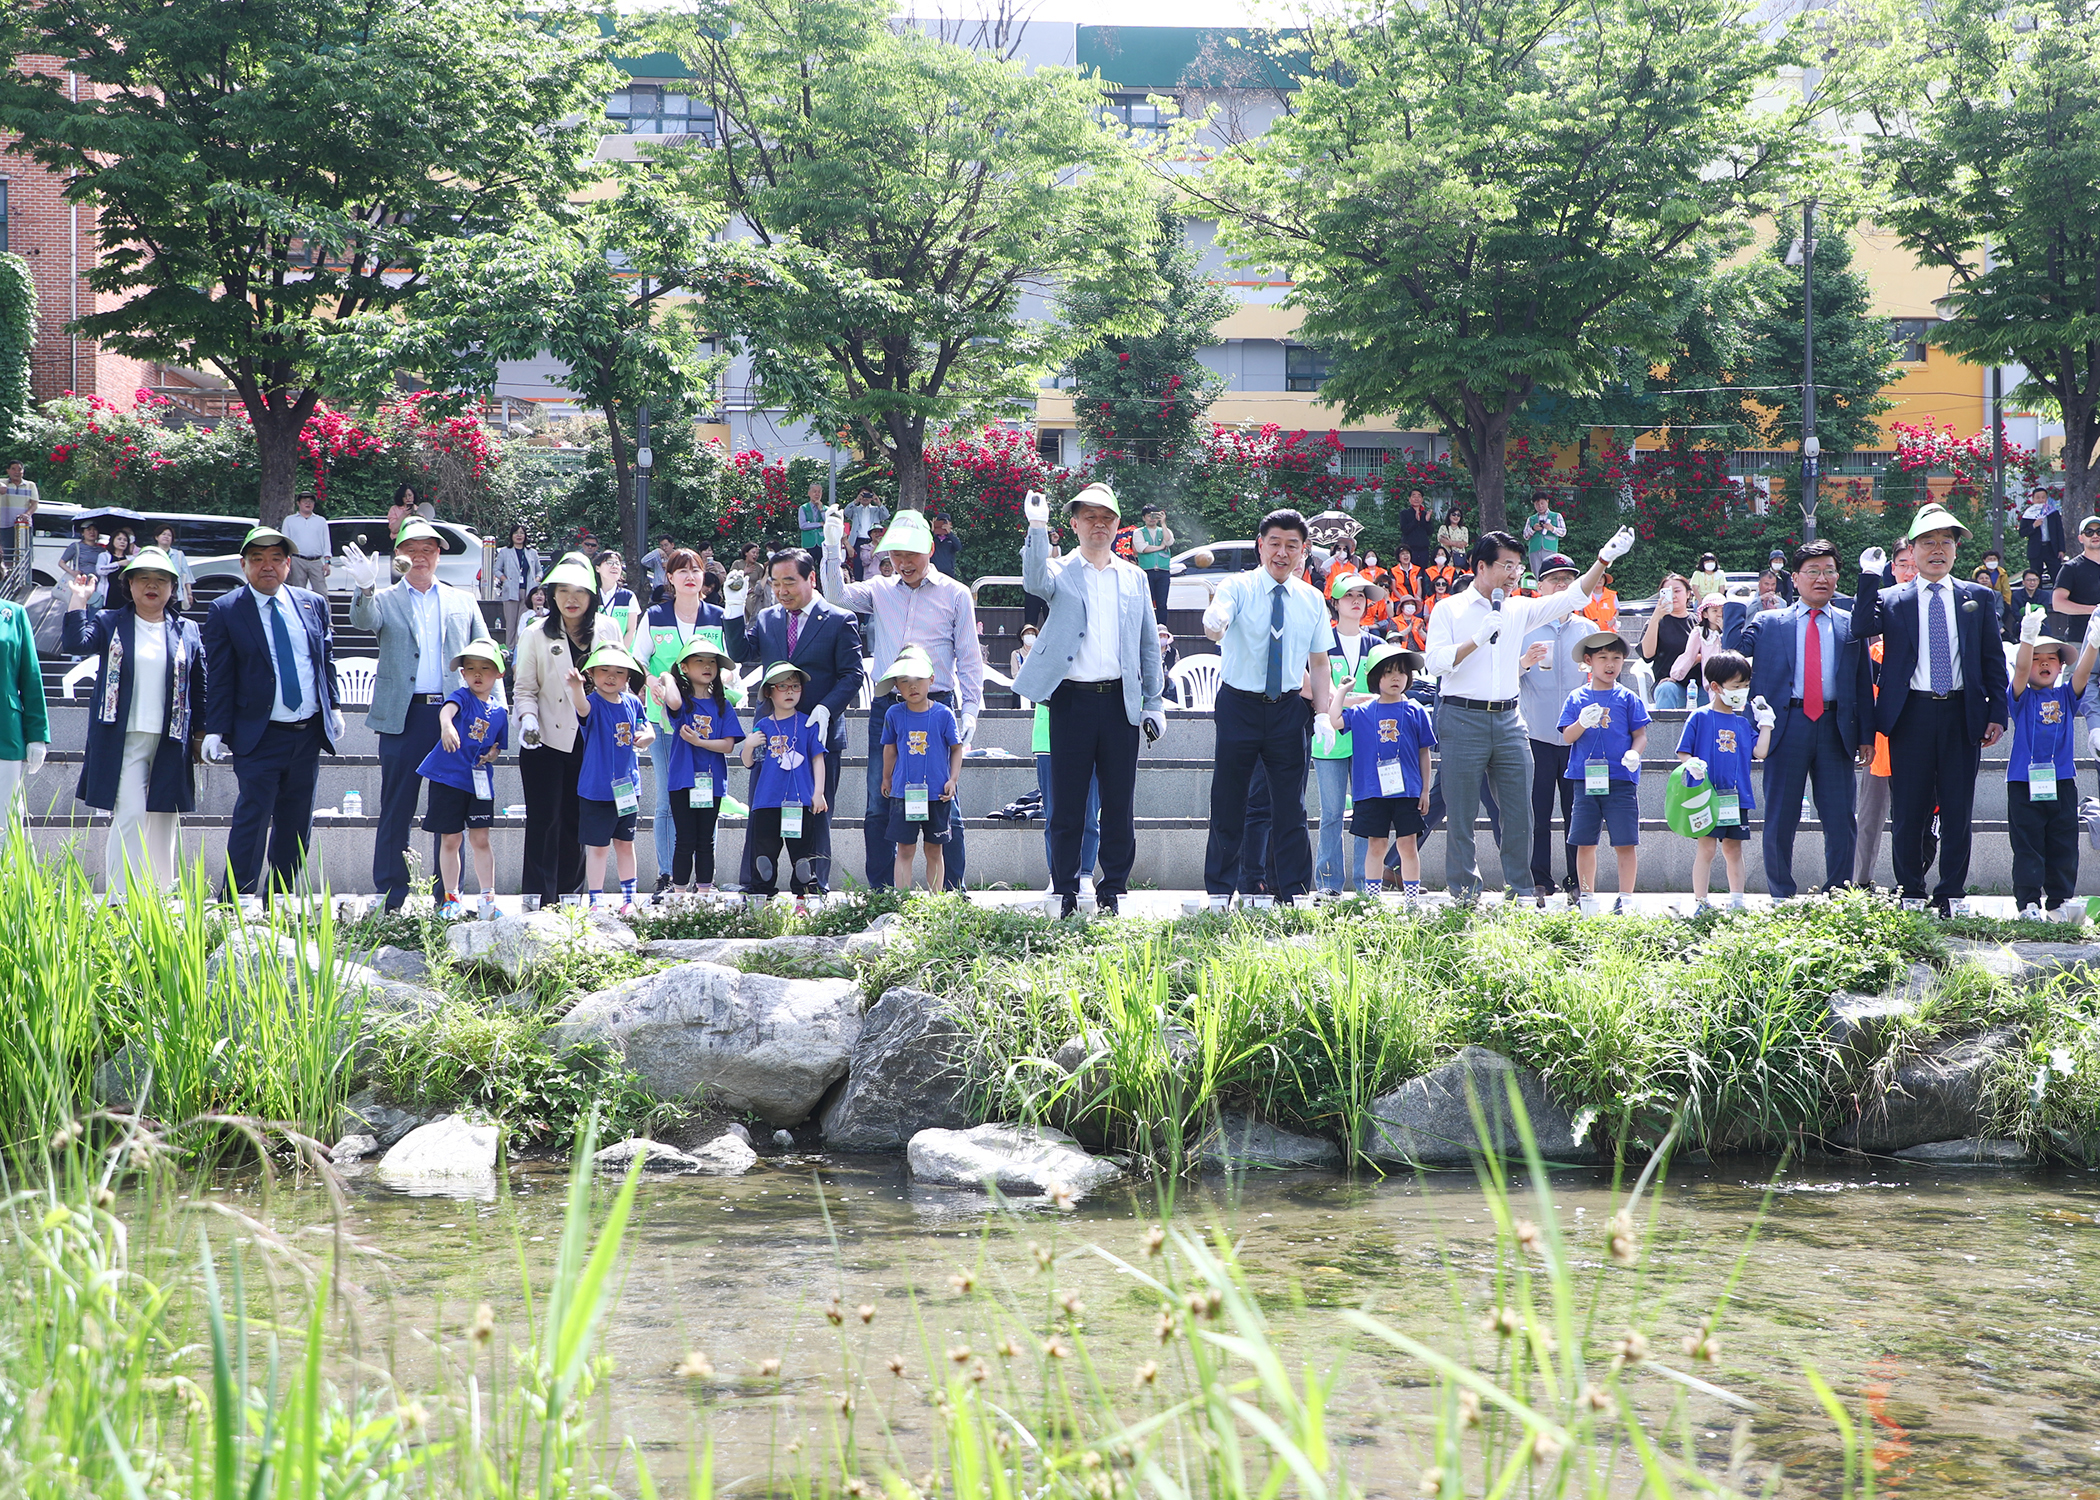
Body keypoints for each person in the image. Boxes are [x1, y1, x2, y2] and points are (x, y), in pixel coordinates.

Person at [1425, 526, 1635, 901]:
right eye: (1507, 566)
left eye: (1518, 567)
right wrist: (1475, 640)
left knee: (1520, 811)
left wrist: (1605, 559)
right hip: (1462, 716)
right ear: (1481, 566)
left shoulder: (1519, 607)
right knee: (1460, 813)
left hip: (1509, 719)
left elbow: (1572, 595)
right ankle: (1464, 894)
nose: (1513, 574)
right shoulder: (1449, 608)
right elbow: (1436, 663)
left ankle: (1520, 890)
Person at [1011, 483, 1164, 918]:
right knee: (1067, 804)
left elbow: (1147, 644)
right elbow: (1033, 580)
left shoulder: (1134, 576)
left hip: (1120, 702)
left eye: (1107, 517)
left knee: (1119, 805)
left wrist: (1153, 701)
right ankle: (1065, 890)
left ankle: (1113, 888)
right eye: (1089, 517)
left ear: (1118, 525)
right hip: (1071, 700)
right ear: (1074, 524)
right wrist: (1036, 528)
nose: (1099, 524)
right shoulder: (1059, 570)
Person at [1853, 504, 2010, 914]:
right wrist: (1869, 576)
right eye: (1927, 542)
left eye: (1946, 542)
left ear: (1956, 551)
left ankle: (1952, 892)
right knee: (1909, 808)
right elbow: (1859, 628)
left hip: (1962, 714)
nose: (1937, 549)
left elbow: (1993, 661)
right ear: (1913, 550)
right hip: (1911, 715)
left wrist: (1998, 713)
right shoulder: (1892, 598)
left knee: (1958, 808)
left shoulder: (1978, 596)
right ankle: (1911, 891)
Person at [816, 506, 984, 891]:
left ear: (929, 548)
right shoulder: (879, 589)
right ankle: (881, 891)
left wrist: (970, 711)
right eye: (896, 554)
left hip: (937, 706)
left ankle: (952, 893)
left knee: (945, 799)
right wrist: (830, 547)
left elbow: (970, 658)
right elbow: (836, 596)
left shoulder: (956, 594)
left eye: (911, 554)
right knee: (880, 797)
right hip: (889, 706)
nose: (903, 562)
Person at [342, 517, 485, 911]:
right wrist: (364, 586)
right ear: (398, 555)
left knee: (449, 810)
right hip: (403, 716)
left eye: (428, 549)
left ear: (439, 554)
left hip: (452, 715)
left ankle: (448, 896)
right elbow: (362, 620)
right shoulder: (385, 598)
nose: (420, 557)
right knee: (396, 807)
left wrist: (496, 711)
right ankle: (391, 894)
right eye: (411, 550)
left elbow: (486, 654)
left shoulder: (462, 599)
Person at [1200, 508, 1335, 908]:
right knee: (1228, 799)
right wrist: (1214, 621)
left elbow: (1320, 662)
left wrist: (1324, 712)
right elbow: (1218, 618)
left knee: (1291, 805)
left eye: (1292, 545)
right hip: (1238, 705)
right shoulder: (1237, 586)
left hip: (1288, 709)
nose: (1282, 552)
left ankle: (1294, 892)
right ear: (1260, 545)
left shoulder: (1311, 599)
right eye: (1274, 543)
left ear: (1304, 551)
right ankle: (1220, 892)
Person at [1723, 540, 1871, 898]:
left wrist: (1866, 734)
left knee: (1840, 820)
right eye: (1813, 571)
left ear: (1837, 577)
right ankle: (1781, 895)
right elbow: (1731, 656)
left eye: (1829, 571)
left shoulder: (1851, 626)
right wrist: (1732, 603)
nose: (1822, 578)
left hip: (1836, 728)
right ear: (1795, 578)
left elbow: (1862, 682)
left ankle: (1839, 893)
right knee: (1780, 818)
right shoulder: (1770, 621)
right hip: (1785, 727)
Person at [200, 525, 340, 900]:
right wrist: (215, 728)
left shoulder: (313, 604)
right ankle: (236, 900)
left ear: (288, 564)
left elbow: (323, 659)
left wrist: (334, 706)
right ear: (244, 565)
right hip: (258, 734)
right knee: (253, 816)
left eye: (276, 559)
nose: (268, 567)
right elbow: (220, 674)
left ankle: (280, 898)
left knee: (296, 822)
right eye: (258, 559)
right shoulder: (227, 609)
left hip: (307, 732)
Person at [61, 546, 204, 898]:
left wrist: (201, 734)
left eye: (160, 580)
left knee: (163, 820)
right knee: (130, 814)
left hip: (171, 737)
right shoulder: (111, 621)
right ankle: (121, 898)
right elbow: (75, 642)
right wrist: (79, 600)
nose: (151, 586)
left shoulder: (187, 630)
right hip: (123, 737)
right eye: (143, 579)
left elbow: (200, 686)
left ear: (172, 587)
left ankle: (161, 897)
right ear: (130, 585)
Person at [723, 548, 864, 889]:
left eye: (790, 582)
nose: (781, 590)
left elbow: (852, 675)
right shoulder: (769, 618)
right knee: (762, 812)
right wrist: (732, 607)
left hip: (818, 734)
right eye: (775, 583)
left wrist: (826, 708)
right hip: (772, 735)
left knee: (816, 815)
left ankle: (813, 889)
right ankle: (757, 887)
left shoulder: (838, 619)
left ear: (811, 579)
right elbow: (742, 653)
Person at [514, 556, 621, 907]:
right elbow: (525, 689)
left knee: (580, 820)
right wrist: (527, 720)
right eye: (563, 591)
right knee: (544, 819)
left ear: (592, 596)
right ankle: (537, 898)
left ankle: (571, 898)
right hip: (545, 737)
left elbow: (620, 681)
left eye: (579, 592)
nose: (571, 599)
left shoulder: (608, 629)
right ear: (552, 594)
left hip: (593, 742)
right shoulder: (534, 632)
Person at [632, 548, 726, 897]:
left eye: (696, 570)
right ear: (669, 578)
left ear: (705, 577)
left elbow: (727, 666)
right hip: (665, 722)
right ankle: (668, 874)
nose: (689, 575)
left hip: (707, 724)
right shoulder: (655, 616)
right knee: (667, 799)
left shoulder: (717, 616)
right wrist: (652, 682)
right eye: (681, 570)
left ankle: (704, 880)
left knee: (706, 797)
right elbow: (638, 659)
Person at [1324, 644, 1434, 896]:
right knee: (1376, 845)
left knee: (1408, 846)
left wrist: (1425, 790)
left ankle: (1411, 901)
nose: (1396, 678)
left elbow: (1423, 753)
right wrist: (1342, 690)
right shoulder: (1362, 711)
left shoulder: (1416, 710)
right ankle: (1372, 901)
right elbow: (1334, 720)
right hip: (1372, 792)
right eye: (1388, 672)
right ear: (1375, 677)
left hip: (1407, 792)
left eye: (1401, 672)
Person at [1517, 554, 1592, 902]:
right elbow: (1505, 676)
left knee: (1577, 812)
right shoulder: (1525, 628)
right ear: (1540, 587)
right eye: (1554, 580)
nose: (1562, 585)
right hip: (1537, 734)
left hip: (1578, 737)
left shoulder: (1588, 630)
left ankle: (1577, 880)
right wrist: (1524, 663)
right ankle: (1540, 879)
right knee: (1538, 812)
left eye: (1568, 580)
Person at [416, 638, 508, 920]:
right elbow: (447, 710)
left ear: (499, 674)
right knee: (450, 839)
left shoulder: (501, 712)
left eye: (485, 668)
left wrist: (491, 754)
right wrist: (446, 727)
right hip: (448, 779)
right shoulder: (461, 696)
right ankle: (451, 898)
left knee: (481, 839)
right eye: (471, 669)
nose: (478, 674)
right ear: (463, 674)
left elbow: (497, 746)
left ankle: (487, 899)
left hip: (479, 783)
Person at [1672, 651, 1773, 909]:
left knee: (1733, 849)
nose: (1742, 691)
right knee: (1706, 849)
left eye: (1745, 686)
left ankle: (1737, 901)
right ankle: (1701, 901)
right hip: (1707, 797)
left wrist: (1766, 725)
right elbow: (1684, 750)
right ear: (1716, 687)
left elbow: (1760, 752)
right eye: (1736, 686)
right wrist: (1691, 764)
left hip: (1735, 798)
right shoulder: (1700, 717)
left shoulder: (1742, 723)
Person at [1559, 631, 1649, 911]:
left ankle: (1626, 897)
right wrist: (1581, 723)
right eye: (1603, 658)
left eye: (1616, 658)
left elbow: (1640, 734)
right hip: (1585, 780)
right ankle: (1586, 896)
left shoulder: (1628, 698)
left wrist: (1635, 752)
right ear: (1589, 661)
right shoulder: (1576, 698)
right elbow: (1567, 737)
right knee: (1584, 842)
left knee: (1625, 841)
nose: (1610, 664)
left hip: (1621, 779)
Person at [2005, 614, 2089, 916]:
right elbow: (2022, 669)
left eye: (2051, 659)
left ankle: (2060, 901)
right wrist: (2027, 636)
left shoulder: (2067, 696)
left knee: (2063, 843)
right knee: (2027, 845)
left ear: (2060, 665)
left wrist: (2093, 640)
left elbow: (2083, 672)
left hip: (2062, 780)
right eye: (2037, 658)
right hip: (2023, 782)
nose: (2043, 664)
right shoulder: (2020, 697)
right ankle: (2028, 902)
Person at [650, 631, 741, 894]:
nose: (707, 666)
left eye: (711, 662)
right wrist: (667, 676)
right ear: (685, 668)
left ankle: (704, 895)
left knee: (705, 842)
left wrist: (700, 742)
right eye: (698, 661)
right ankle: (678, 897)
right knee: (684, 840)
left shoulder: (723, 705)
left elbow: (728, 744)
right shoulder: (683, 703)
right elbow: (674, 699)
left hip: (711, 783)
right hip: (682, 780)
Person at [1311, 572, 1385, 895]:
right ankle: (1328, 884)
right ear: (1335, 603)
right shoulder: (1322, 643)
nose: (1357, 601)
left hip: (1368, 741)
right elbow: (1322, 696)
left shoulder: (1377, 645)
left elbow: (1390, 693)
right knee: (1331, 814)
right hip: (1329, 740)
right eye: (1349, 595)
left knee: (1367, 813)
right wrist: (1363, 700)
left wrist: (1346, 699)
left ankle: (1367, 882)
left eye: (1361, 596)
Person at [569, 643, 653, 914]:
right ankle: (596, 899)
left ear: (628, 677)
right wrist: (575, 687)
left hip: (628, 787)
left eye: (619, 672)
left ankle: (629, 899)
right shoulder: (592, 701)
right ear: (591, 672)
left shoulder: (631, 702)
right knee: (598, 848)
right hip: (596, 789)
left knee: (626, 844)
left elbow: (645, 725)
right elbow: (581, 708)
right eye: (604, 670)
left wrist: (648, 736)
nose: (611, 676)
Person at [1854, 542, 1920, 887]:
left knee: (1916, 819)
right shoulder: (1883, 606)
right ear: (1892, 568)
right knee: (1870, 818)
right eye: (1903, 564)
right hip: (1882, 739)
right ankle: (1859, 883)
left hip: (1921, 732)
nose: (1910, 570)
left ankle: (1911, 884)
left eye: (1915, 563)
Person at [875, 645, 966, 893]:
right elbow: (889, 749)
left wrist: (953, 779)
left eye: (918, 680)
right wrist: (886, 778)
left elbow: (956, 748)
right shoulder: (894, 713)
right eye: (904, 681)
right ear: (896, 685)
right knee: (904, 848)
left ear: (932, 680)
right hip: (903, 794)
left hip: (936, 793)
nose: (912, 686)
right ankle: (903, 900)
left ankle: (935, 902)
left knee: (934, 849)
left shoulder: (944, 714)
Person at [739, 661, 830, 907]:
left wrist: (818, 792)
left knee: (803, 861)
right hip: (767, 801)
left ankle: (803, 905)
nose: (790, 691)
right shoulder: (763, 726)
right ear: (768, 691)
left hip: (800, 803)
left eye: (795, 686)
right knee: (764, 860)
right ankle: (761, 907)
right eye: (783, 686)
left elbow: (818, 759)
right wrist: (748, 744)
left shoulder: (808, 723)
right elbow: (748, 763)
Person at [1640, 575, 1696, 709]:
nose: (1673, 596)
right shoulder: (1657, 622)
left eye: (1677, 591)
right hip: (1668, 685)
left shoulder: (1698, 622)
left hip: (1698, 684)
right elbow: (1647, 655)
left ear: (1688, 594)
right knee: (1667, 689)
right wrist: (1655, 618)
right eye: (1668, 592)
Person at [1670, 593, 1730, 708]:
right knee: (1716, 706)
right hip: (1712, 678)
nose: (1719, 614)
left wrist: (1725, 630)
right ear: (1705, 614)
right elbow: (1689, 655)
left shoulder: (1730, 631)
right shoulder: (1699, 632)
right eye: (1715, 610)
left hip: (1731, 676)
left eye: (1723, 610)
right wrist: (1675, 676)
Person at [2050, 514, 2100, 639]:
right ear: (2080, 538)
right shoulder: (2071, 568)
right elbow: (2058, 603)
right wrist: (2095, 610)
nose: (2095, 535)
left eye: (2099, 531)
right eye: (2089, 532)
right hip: (2081, 639)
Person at [494, 524, 543, 640]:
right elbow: (496, 569)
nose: (519, 535)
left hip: (528, 590)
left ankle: (520, 648)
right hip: (511, 590)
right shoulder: (505, 552)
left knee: (523, 622)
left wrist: (537, 580)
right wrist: (505, 580)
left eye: (522, 533)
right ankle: (510, 649)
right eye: (516, 533)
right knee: (511, 624)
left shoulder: (532, 552)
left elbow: (540, 571)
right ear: (511, 536)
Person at [1132, 504, 1176, 616]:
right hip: (1146, 571)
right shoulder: (1139, 532)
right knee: (1146, 603)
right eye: (1148, 516)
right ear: (1143, 518)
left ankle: (1162, 629)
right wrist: (1161, 547)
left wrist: (1163, 523)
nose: (1152, 518)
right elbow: (1142, 548)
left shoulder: (1164, 530)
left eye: (1154, 515)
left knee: (1162, 604)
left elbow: (1169, 541)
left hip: (1163, 571)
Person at [2018, 486, 2065, 584]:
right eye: (2038, 498)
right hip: (2036, 549)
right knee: (2035, 577)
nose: (2040, 500)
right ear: (2033, 499)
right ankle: (2037, 598)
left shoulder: (2053, 513)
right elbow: (2022, 533)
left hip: (2051, 549)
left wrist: (2061, 549)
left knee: (2057, 576)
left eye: (2043, 497)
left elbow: (2059, 531)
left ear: (2046, 499)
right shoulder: (2028, 514)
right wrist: (2034, 526)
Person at [845, 490, 890, 580]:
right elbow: (846, 512)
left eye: (868, 495)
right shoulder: (855, 509)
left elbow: (886, 515)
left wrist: (878, 502)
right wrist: (856, 501)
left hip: (873, 538)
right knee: (858, 565)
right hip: (858, 539)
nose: (865, 498)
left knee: (876, 561)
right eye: (863, 495)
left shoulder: (876, 509)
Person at [61, 523, 108, 607]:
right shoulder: (76, 546)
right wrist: (72, 572)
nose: (92, 532)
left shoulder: (102, 549)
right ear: (82, 533)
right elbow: (61, 562)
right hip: (81, 583)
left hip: (98, 584)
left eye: (95, 529)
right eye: (88, 529)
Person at [151, 524, 196, 612]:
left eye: (169, 535)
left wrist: (189, 593)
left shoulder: (178, 555)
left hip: (176, 596)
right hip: (156, 594)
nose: (166, 537)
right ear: (157, 537)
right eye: (163, 534)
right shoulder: (150, 553)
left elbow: (186, 574)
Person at [595, 550, 640, 638]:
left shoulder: (628, 596)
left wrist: (620, 651)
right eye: (609, 563)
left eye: (617, 563)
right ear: (598, 568)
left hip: (622, 650)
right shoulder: (591, 595)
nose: (614, 566)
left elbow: (631, 630)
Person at [0, 460, 37, 564]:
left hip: (23, 526)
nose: (17, 472)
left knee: (24, 557)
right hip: (4, 526)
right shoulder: (3, 482)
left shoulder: (30, 485)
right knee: (5, 556)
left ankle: (23, 580)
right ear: (8, 471)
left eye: (19, 469)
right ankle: (5, 579)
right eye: (13, 469)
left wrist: (27, 514)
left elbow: (35, 504)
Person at [1520, 490, 1566, 570]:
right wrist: (1533, 529)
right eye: (1537, 504)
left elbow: (1563, 532)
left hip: (1550, 549)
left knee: (1549, 572)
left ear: (1547, 502)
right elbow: (1525, 536)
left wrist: (1552, 528)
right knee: (1537, 573)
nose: (1540, 506)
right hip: (1534, 549)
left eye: (1542, 503)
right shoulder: (1531, 519)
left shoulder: (1556, 516)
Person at [97, 530, 137, 612]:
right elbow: (100, 570)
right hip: (108, 594)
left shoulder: (131, 559)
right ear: (112, 541)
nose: (122, 542)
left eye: (125, 540)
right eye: (119, 539)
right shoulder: (104, 556)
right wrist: (118, 564)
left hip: (125, 595)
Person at [2008, 567, 2049, 644]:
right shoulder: (2016, 595)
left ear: (2038, 581)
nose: (2032, 582)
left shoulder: (2045, 595)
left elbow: (2043, 611)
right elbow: (2016, 613)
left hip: (2040, 624)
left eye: (2035, 580)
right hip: (2021, 624)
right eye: (2029, 580)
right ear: (2023, 582)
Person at [1399, 490, 1436, 562]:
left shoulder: (1425, 514)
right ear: (1409, 499)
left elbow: (1430, 532)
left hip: (1423, 549)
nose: (1416, 498)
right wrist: (1415, 521)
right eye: (1414, 496)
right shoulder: (1404, 513)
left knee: (1422, 571)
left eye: (1419, 496)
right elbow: (1404, 530)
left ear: (1422, 499)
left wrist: (1426, 521)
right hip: (1410, 548)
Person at [643, 534, 677, 604]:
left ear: (672, 545)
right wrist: (657, 551)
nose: (664, 548)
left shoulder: (677, 557)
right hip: (658, 591)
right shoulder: (657, 555)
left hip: (672, 590)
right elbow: (644, 561)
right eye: (661, 546)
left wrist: (669, 567)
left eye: (666, 545)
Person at [799, 482, 827, 561]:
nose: (817, 494)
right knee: (808, 566)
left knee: (824, 566)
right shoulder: (803, 508)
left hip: (822, 542)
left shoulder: (826, 509)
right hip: (808, 542)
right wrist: (819, 524)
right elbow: (803, 525)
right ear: (809, 493)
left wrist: (821, 510)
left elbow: (828, 523)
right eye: (814, 491)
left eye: (819, 492)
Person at [929, 512, 962, 578]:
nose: (942, 526)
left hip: (948, 574)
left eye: (944, 523)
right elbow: (924, 546)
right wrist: (932, 531)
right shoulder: (932, 539)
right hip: (933, 572)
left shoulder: (951, 539)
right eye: (940, 523)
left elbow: (958, 547)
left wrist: (949, 533)